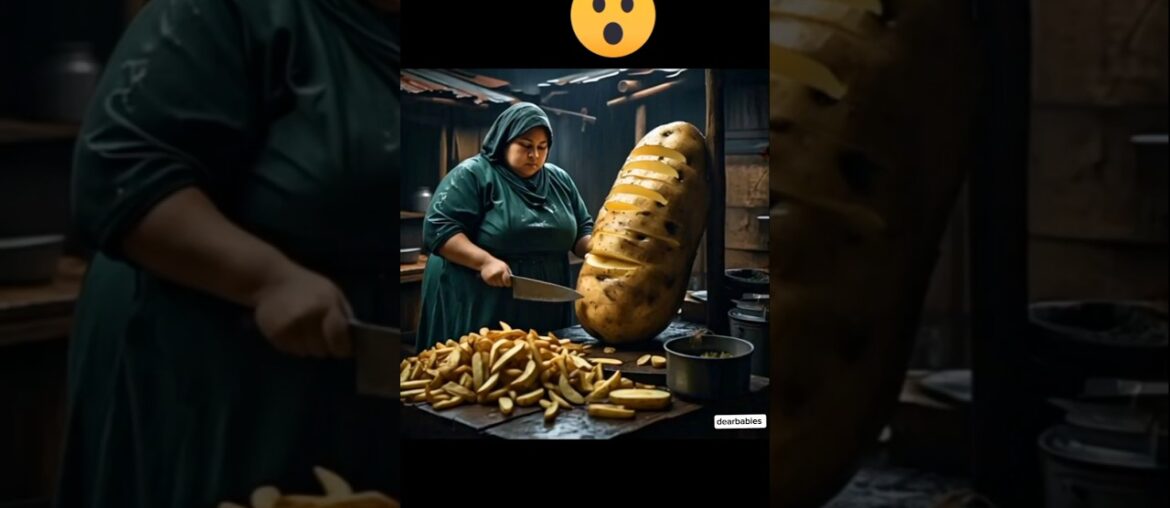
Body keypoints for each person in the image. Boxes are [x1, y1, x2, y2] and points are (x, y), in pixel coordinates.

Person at [55, 0, 400, 506]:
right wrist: (268, 279)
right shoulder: (228, 12)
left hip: (344, 379)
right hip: (210, 372)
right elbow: (118, 172)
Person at [416, 102, 594, 350]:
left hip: (545, 306)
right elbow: (439, 229)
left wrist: (600, 251)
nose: (535, 155)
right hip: (481, 300)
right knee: (483, 363)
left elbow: (583, 229)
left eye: (542, 147)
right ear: (504, 142)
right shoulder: (473, 175)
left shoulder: (559, 179)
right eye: (526, 146)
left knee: (542, 364)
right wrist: (484, 262)